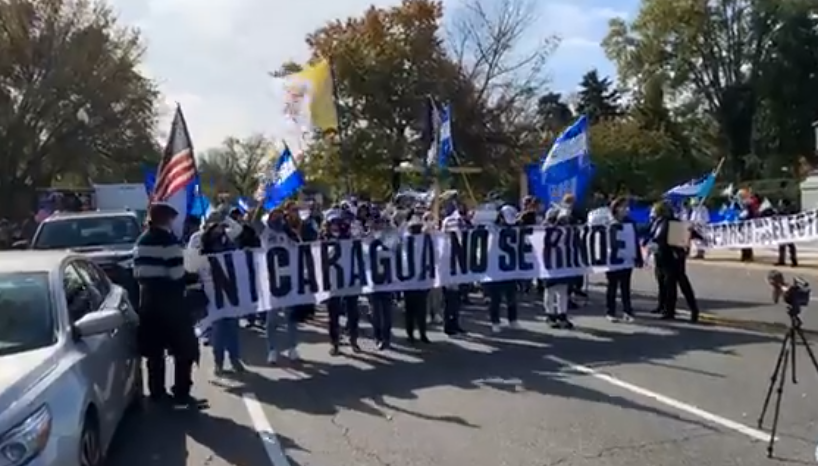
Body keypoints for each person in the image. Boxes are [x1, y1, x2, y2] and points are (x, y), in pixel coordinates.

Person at [134, 202, 200, 405]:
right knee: (184, 349)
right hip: (171, 303)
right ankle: (181, 391)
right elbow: (175, 274)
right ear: (167, 219)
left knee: (155, 352)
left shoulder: (141, 240)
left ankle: (157, 392)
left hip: (148, 301)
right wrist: (193, 276)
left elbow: (138, 273)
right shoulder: (169, 242)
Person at [200, 217, 245, 375]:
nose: (219, 230)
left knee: (233, 329)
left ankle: (235, 360)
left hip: (231, 294)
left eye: (220, 227)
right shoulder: (201, 243)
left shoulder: (228, 241)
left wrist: (224, 216)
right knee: (218, 332)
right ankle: (218, 363)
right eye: (215, 227)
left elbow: (238, 228)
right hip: (214, 295)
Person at [646, 201, 701, 322]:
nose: (652, 213)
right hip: (661, 257)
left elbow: (680, 241)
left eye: (654, 211)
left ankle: (688, 310)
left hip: (672, 259)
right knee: (664, 284)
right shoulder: (657, 223)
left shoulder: (672, 223)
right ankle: (664, 307)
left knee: (677, 285)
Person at [322, 210, 361, 355]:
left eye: (338, 224)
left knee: (353, 313)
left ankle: (353, 340)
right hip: (333, 283)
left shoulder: (351, 238)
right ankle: (334, 343)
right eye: (332, 224)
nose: (336, 227)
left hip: (350, 280)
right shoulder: (324, 240)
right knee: (333, 315)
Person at [604, 197, 642, 322]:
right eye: (624, 206)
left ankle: (627, 311)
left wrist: (638, 257)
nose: (627, 209)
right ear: (617, 208)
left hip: (626, 259)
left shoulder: (630, 222)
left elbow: (635, 240)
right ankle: (611, 312)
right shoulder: (608, 222)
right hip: (612, 259)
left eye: (627, 207)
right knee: (612, 286)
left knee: (626, 286)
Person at [486, 204, 520, 332]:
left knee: (511, 296)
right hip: (494, 269)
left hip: (509, 268)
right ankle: (495, 321)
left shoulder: (514, 229)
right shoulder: (491, 228)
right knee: (495, 299)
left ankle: (513, 319)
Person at [541, 208, 574, 329]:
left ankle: (562, 315)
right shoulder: (545, 229)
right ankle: (550, 315)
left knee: (562, 291)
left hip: (563, 262)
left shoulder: (567, 229)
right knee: (550, 291)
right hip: (549, 263)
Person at [368, 214, 396, 349]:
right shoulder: (367, 239)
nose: (380, 225)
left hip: (387, 281)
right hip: (373, 282)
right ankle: (377, 336)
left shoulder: (390, 238)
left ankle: (386, 338)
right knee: (376, 313)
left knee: (387, 313)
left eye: (382, 223)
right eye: (377, 223)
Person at [403, 214, 430, 343]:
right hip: (409, 282)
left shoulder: (425, 240)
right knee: (410, 310)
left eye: (418, 227)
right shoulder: (404, 240)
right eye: (414, 228)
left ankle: (422, 333)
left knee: (421, 310)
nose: (417, 230)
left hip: (421, 281)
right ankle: (410, 333)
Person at [776, 199, 798, 267]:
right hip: (784, 230)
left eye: (780, 203)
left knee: (790, 245)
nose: (779, 205)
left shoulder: (787, 211)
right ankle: (782, 260)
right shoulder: (787, 210)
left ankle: (793, 260)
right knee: (782, 245)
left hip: (788, 230)